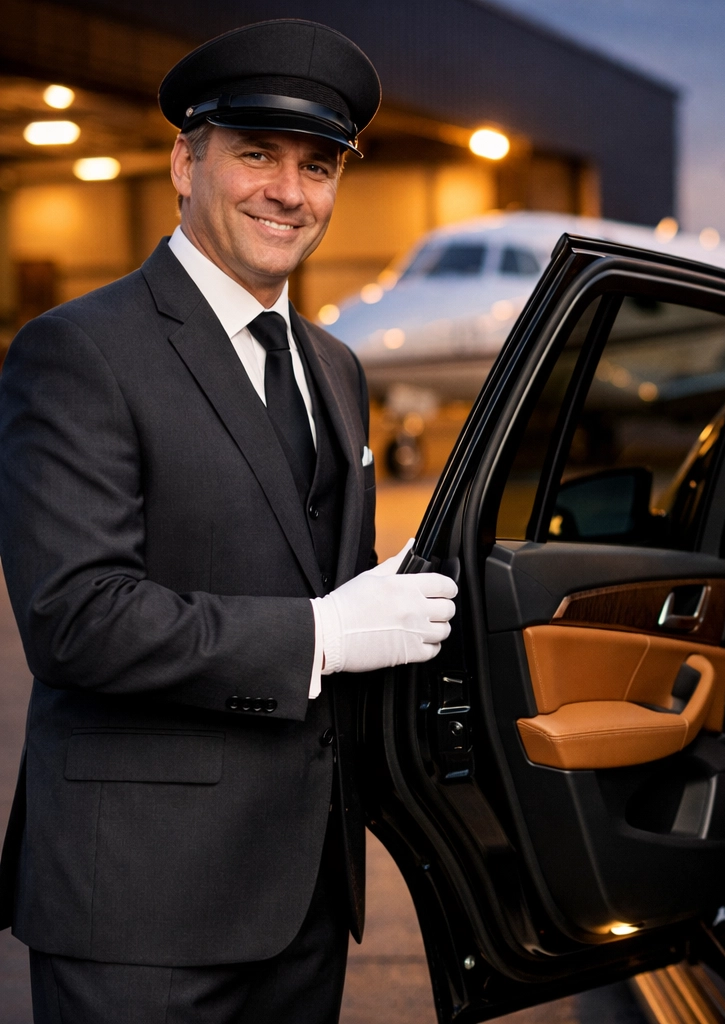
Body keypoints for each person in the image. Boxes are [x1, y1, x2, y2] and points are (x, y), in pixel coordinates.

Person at [0, 19, 457, 1023]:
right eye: (256, 153)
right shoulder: (78, 351)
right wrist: (322, 635)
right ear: (183, 161)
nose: (289, 192)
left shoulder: (333, 367)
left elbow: (337, 576)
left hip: (300, 896)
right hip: (139, 906)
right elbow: (76, 616)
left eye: (318, 165)